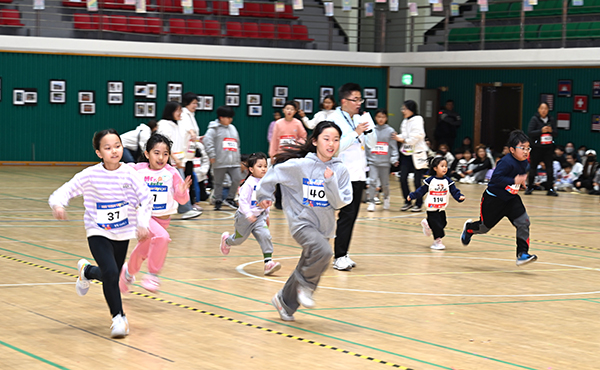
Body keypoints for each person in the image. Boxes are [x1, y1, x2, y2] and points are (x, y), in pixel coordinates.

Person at [48, 129, 152, 338]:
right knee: (112, 274)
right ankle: (118, 318)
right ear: (98, 152)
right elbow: (65, 190)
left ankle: (87, 272)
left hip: (122, 232)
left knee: (109, 275)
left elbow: (146, 198)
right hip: (97, 231)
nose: (114, 151)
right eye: (108, 148)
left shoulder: (131, 173)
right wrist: (58, 204)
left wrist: (142, 222)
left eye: (117, 146)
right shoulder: (90, 175)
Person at [255, 121, 352, 321]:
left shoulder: (340, 170)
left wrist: (330, 181)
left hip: (324, 227)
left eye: (336, 139)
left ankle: (284, 302)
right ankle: (306, 287)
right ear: (315, 141)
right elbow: (274, 172)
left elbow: (340, 202)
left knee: (309, 262)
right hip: (302, 222)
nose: (331, 143)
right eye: (326, 139)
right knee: (324, 253)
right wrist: (264, 195)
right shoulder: (301, 166)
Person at [119, 133, 192, 293]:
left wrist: (181, 192)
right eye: (156, 153)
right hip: (143, 217)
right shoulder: (137, 170)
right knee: (162, 237)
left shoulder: (172, 173)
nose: (161, 157)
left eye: (165, 154)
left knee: (142, 252)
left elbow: (182, 200)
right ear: (147, 154)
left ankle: (127, 273)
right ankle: (152, 275)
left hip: (163, 220)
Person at [460, 130, 538, 266]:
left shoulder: (525, 162)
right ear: (512, 150)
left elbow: (519, 175)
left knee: (524, 223)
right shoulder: (505, 162)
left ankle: (522, 254)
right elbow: (495, 179)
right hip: (494, 201)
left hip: (511, 199)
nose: (526, 152)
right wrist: (514, 179)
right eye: (522, 148)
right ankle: (469, 228)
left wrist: (521, 182)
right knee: (484, 228)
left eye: (528, 148)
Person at [330, 83, 376, 271]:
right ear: (344, 101)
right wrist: (356, 132)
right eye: (355, 100)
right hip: (341, 174)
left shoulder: (359, 117)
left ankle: (343, 253)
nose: (359, 103)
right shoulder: (334, 119)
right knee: (345, 215)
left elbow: (372, 144)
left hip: (358, 174)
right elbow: (337, 147)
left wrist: (369, 129)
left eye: (360, 99)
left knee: (351, 215)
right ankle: (338, 255)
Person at [219, 152, 281, 275]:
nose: (263, 169)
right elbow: (242, 201)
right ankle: (227, 241)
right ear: (251, 169)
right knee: (239, 240)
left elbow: (266, 201)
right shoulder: (248, 184)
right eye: (260, 166)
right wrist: (248, 214)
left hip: (259, 217)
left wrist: (267, 215)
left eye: (265, 166)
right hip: (244, 217)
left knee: (265, 235)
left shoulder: (266, 183)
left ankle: (268, 263)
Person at [156, 101, 202, 220]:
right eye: (178, 111)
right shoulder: (164, 125)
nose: (180, 113)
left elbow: (187, 130)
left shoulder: (177, 124)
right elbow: (163, 144)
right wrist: (175, 159)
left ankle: (184, 209)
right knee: (179, 184)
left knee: (178, 185)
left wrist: (192, 133)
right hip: (167, 161)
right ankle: (185, 209)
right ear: (171, 112)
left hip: (177, 160)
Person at [408, 157, 465, 250]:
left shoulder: (448, 181)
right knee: (437, 226)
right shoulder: (430, 181)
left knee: (443, 223)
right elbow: (421, 191)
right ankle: (437, 241)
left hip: (441, 207)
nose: (444, 168)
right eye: (442, 166)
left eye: (446, 166)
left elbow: (454, 191)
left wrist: (459, 197)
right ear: (435, 168)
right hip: (431, 207)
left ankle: (427, 224)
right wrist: (412, 195)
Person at [269, 100, 308, 209]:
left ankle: (292, 201)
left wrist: (297, 143)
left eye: (292, 109)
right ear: (283, 110)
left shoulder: (297, 123)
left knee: (293, 179)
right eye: (287, 109)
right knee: (280, 178)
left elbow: (303, 136)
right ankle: (279, 201)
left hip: (293, 154)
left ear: (295, 111)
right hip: (281, 154)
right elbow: (274, 139)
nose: (289, 111)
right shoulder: (278, 123)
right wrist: (273, 154)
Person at [204, 105, 242, 210]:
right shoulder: (213, 129)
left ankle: (230, 198)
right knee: (218, 183)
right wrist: (212, 155)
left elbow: (237, 144)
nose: (231, 119)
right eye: (228, 117)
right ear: (221, 117)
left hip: (233, 162)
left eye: (231, 117)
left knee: (237, 178)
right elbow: (207, 142)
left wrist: (238, 159)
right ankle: (218, 200)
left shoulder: (233, 128)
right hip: (219, 161)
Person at [394, 100, 428, 212]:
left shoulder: (418, 119)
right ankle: (407, 201)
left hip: (418, 154)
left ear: (411, 109)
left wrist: (403, 140)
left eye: (405, 108)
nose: (403, 111)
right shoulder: (404, 121)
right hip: (406, 153)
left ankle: (418, 203)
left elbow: (418, 135)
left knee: (417, 181)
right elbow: (404, 135)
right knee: (402, 178)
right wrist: (396, 136)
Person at [366, 109, 398, 212]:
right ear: (375, 118)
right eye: (379, 117)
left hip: (385, 162)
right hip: (373, 161)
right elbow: (367, 146)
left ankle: (386, 198)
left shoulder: (390, 131)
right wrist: (367, 158)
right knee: (372, 181)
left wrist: (394, 158)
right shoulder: (371, 130)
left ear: (386, 118)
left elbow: (394, 147)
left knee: (385, 184)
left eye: (383, 117)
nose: (381, 119)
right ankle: (371, 201)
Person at [526, 102, 558, 196]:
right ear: (538, 109)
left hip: (548, 148)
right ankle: (530, 187)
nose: (543, 110)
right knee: (533, 167)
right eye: (542, 108)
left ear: (548, 110)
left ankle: (550, 189)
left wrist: (552, 131)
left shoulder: (551, 119)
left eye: (545, 108)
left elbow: (556, 133)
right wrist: (541, 131)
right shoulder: (534, 119)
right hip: (537, 148)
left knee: (549, 169)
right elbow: (530, 132)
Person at [179, 92, 204, 212]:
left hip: (190, 153)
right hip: (182, 153)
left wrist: (199, 138)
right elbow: (187, 129)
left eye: (196, 103)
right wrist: (193, 133)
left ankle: (191, 203)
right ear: (186, 103)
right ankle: (186, 204)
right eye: (193, 103)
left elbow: (193, 134)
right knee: (185, 179)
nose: (195, 105)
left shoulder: (192, 115)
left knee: (189, 178)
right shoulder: (183, 113)